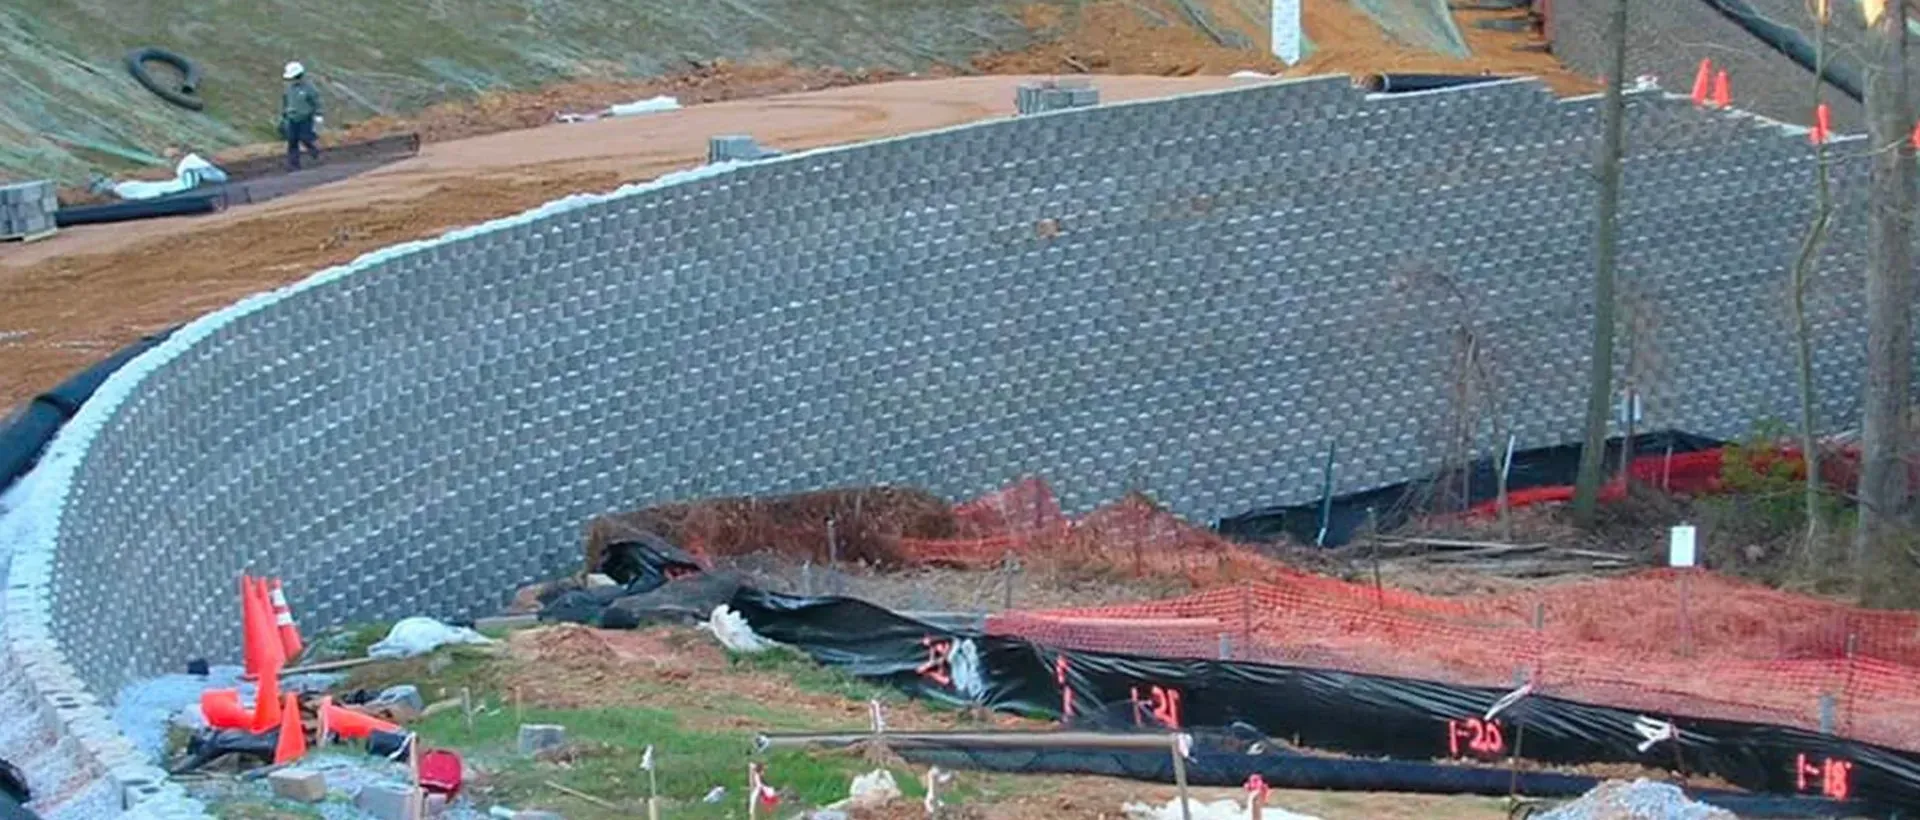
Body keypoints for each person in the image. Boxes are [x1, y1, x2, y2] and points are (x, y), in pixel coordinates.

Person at [280, 61, 323, 171]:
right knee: (292, 141)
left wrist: (318, 114)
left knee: (305, 138)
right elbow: (286, 103)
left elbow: (316, 102)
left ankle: (314, 151)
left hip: (306, 118)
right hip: (292, 119)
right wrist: (284, 116)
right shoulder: (288, 89)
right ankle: (294, 165)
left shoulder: (309, 88)